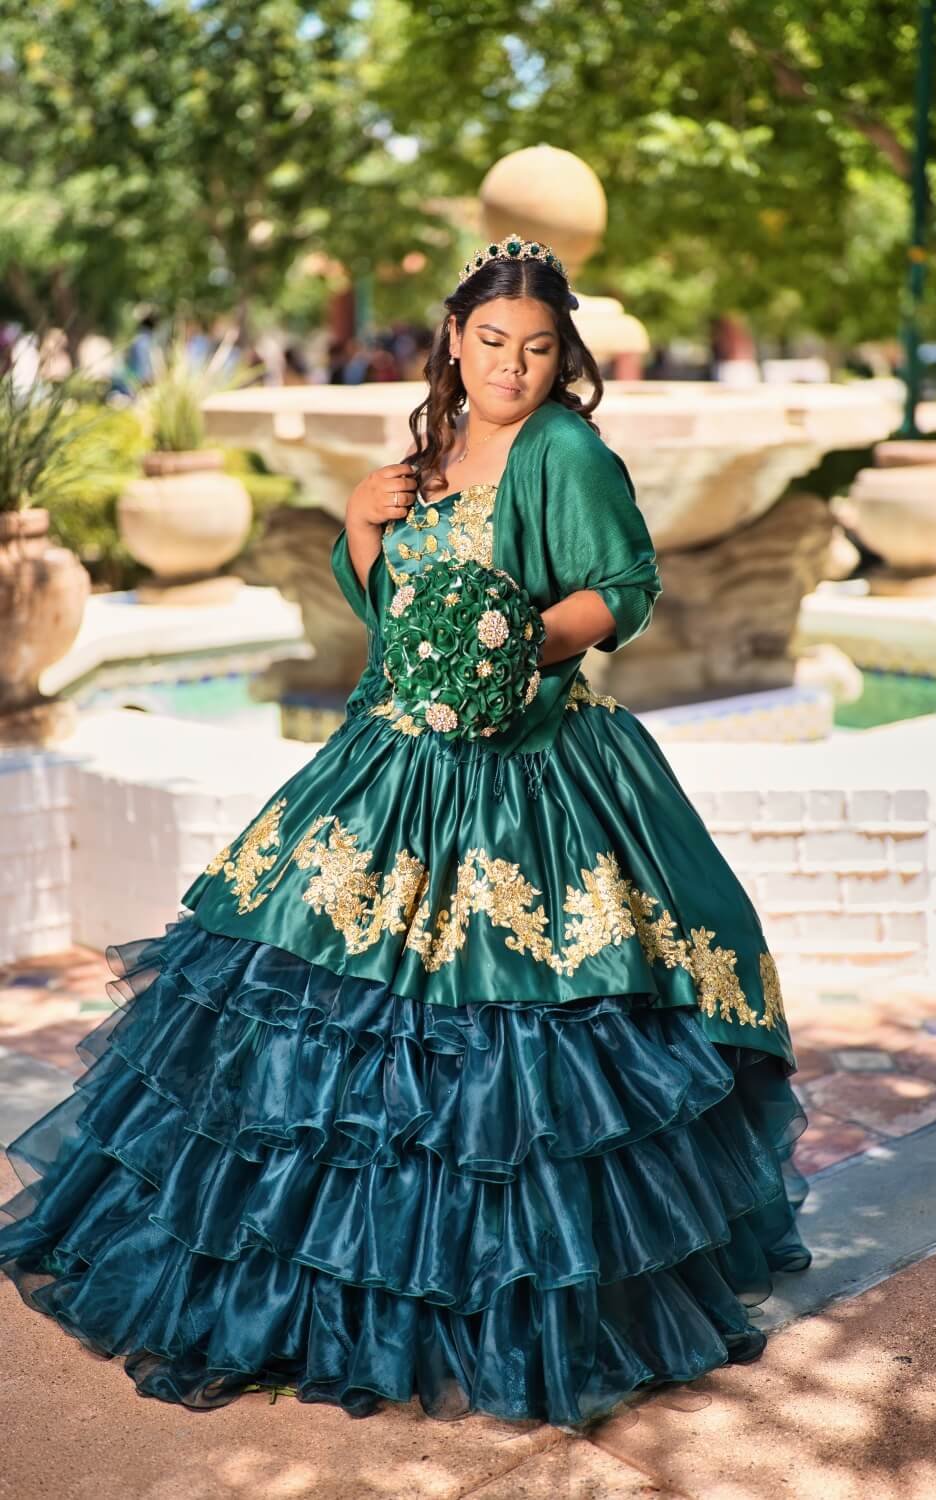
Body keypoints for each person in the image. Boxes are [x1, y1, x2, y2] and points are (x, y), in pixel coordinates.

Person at [0, 234, 811, 1428]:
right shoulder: (424, 453)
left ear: (560, 354)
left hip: (523, 778)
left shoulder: (566, 453)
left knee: (512, 1055)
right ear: (453, 338)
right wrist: (363, 528)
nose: (513, 367)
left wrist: (516, 647)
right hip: (387, 766)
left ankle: (498, 1298)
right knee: (318, 1032)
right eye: (492, 342)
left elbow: (623, 588)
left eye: (538, 348)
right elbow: (398, 618)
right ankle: (310, 1293)